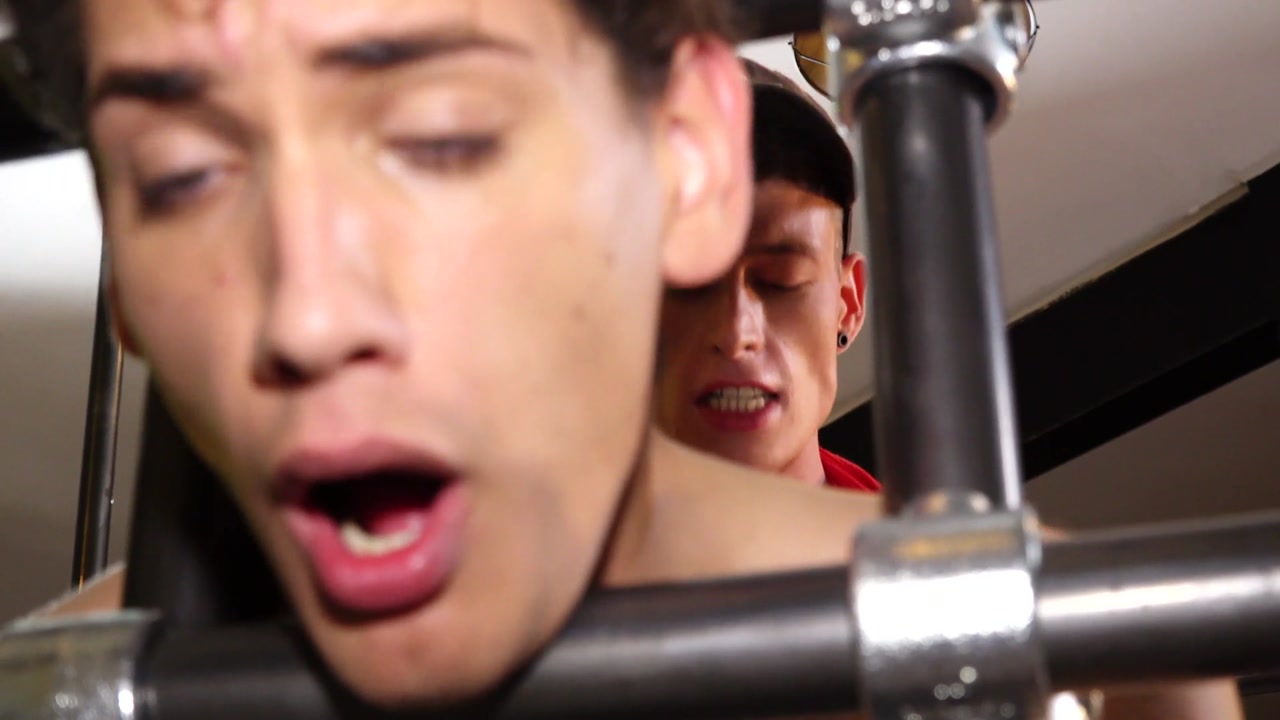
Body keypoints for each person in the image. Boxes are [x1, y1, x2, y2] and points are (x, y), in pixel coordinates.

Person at [7, 1, 1242, 718]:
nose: (305, 312)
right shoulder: (65, 686)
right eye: (181, 176)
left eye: (439, 138)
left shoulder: (994, 632)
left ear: (684, 167)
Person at [655, 59, 878, 492]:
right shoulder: (530, 531)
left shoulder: (936, 536)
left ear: (847, 304)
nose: (736, 331)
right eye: (691, 281)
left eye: (781, 281)